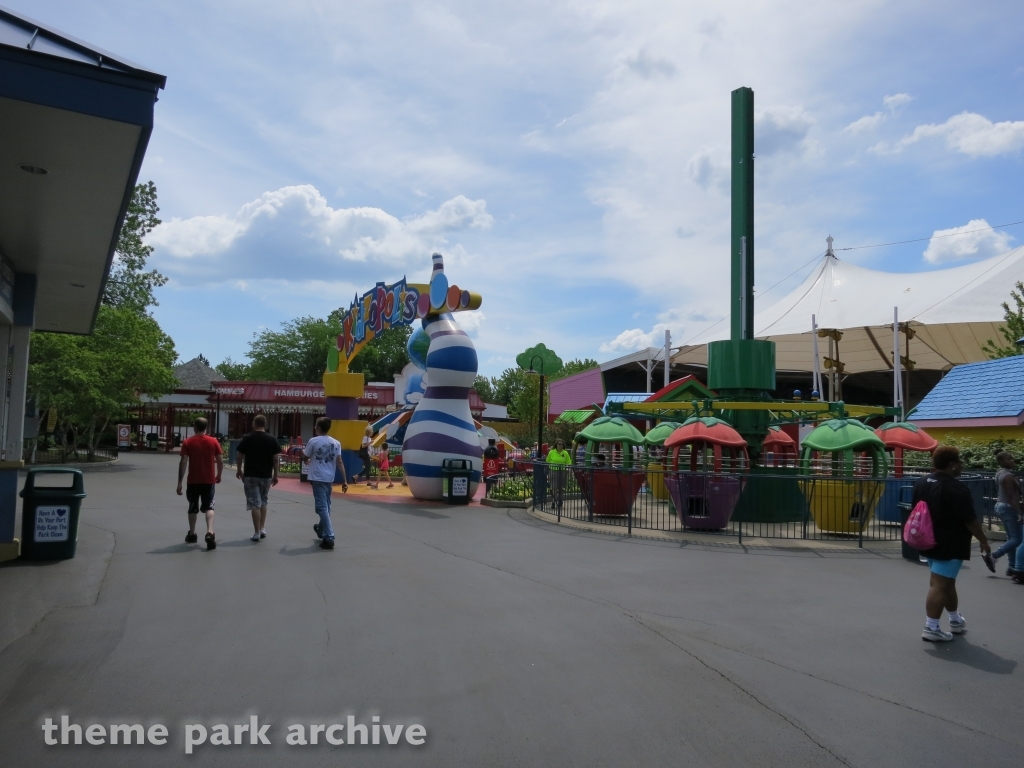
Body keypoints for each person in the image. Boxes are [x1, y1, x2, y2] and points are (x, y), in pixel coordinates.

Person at [912, 446, 992, 642]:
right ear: (952, 465)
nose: (961, 465)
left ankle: (955, 620)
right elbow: (969, 519)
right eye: (959, 461)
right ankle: (931, 627)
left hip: (926, 540)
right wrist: (983, 540)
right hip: (950, 543)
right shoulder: (957, 488)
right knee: (939, 585)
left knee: (947, 583)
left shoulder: (922, 482)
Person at [177, 417, 223, 550]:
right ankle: (210, 531)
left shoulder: (188, 442)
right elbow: (220, 460)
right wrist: (218, 475)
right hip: (209, 480)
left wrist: (180, 482)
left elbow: (184, 462)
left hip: (193, 480)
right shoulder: (213, 441)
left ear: (195, 427)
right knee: (209, 507)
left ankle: (192, 533)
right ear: (206, 427)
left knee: (192, 507)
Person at [302, 417, 348, 550]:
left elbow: (306, 456)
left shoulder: (313, 441)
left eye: (316, 426)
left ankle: (329, 536)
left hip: (317, 477)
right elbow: (339, 461)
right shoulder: (336, 443)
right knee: (326, 505)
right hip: (329, 477)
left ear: (319, 428)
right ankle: (321, 529)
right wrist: (344, 480)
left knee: (322, 507)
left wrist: (304, 457)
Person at [235, 414, 282, 542]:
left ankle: (256, 532)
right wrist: (276, 475)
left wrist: (239, 470)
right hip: (266, 475)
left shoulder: (248, 438)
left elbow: (239, 456)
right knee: (263, 501)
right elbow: (275, 459)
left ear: (254, 424)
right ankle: (262, 528)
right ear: (264, 424)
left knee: (254, 503)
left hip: (251, 474)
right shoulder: (271, 439)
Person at [982, 451, 1022, 576]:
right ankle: (993, 556)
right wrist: (1019, 512)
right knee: (1017, 539)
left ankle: (1011, 567)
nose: (1012, 461)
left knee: (1011, 538)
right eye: (1009, 459)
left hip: (1001, 506)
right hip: (1008, 507)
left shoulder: (1000, 473)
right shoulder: (1008, 476)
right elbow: (1011, 497)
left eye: (1013, 459)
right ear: (1001, 461)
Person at [546, 438, 572, 511]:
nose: (560, 445)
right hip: (553, 472)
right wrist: (547, 471)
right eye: (559, 444)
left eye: (562, 444)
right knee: (553, 487)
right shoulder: (551, 452)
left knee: (561, 488)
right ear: (556, 445)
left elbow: (568, 463)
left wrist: (568, 469)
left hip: (562, 472)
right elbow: (547, 461)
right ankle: (553, 502)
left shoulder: (565, 453)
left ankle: (560, 500)